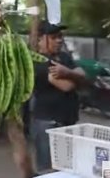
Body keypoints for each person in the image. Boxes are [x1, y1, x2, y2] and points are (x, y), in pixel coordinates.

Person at [30, 20, 86, 175]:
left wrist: (67, 72)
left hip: (68, 122)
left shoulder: (63, 57)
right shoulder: (37, 61)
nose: (59, 40)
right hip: (49, 125)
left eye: (60, 36)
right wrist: (74, 76)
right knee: (49, 170)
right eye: (54, 37)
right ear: (40, 39)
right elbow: (67, 86)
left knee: (67, 168)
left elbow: (83, 75)